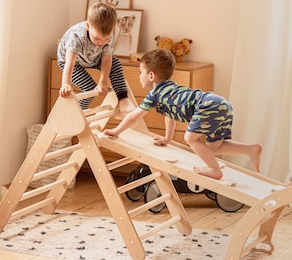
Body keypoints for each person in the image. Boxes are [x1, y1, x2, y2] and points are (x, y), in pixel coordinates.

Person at [103, 49, 262, 180]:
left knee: (190, 138)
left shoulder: (155, 94)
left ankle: (214, 170)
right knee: (213, 148)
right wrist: (167, 139)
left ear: (151, 75)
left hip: (208, 105)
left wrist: (116, 131)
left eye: (141, 72)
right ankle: (250, 150)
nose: (139, 76)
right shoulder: (170, 88)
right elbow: (169, 116)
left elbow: (133, 116)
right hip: (222, 104)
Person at [57, 2, 134, 114]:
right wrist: (65, 84)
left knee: (115, 63)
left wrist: (102, 82)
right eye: (97, 38)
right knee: (89, 87)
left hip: (93, 57)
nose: (101, 43)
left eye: (106, 39)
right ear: (88, 26)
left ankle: (123, 99)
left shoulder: (109, 37)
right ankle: (75, 113)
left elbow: (107, 60)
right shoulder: (77, 36)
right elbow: (70, 62)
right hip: (71, 61)